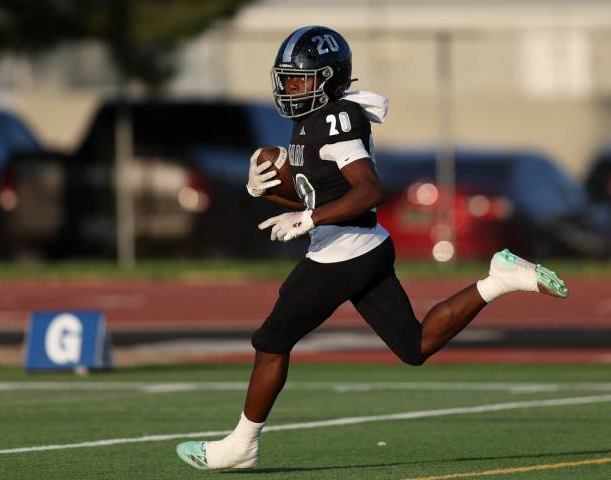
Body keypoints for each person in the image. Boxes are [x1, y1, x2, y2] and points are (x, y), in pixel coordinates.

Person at [176, 25, 568, 471]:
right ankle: (499, 280)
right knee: (414, 346)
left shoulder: (334, 119)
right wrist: (266, 192)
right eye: (287, 79)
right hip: (364, 247)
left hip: (342, 252)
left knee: (271, 341)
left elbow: (369, 191)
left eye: (301, 79)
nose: (290, 88)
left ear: (330, 79)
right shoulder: (311, 122)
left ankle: (241, 446)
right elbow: (320, 195)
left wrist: (309, 219)